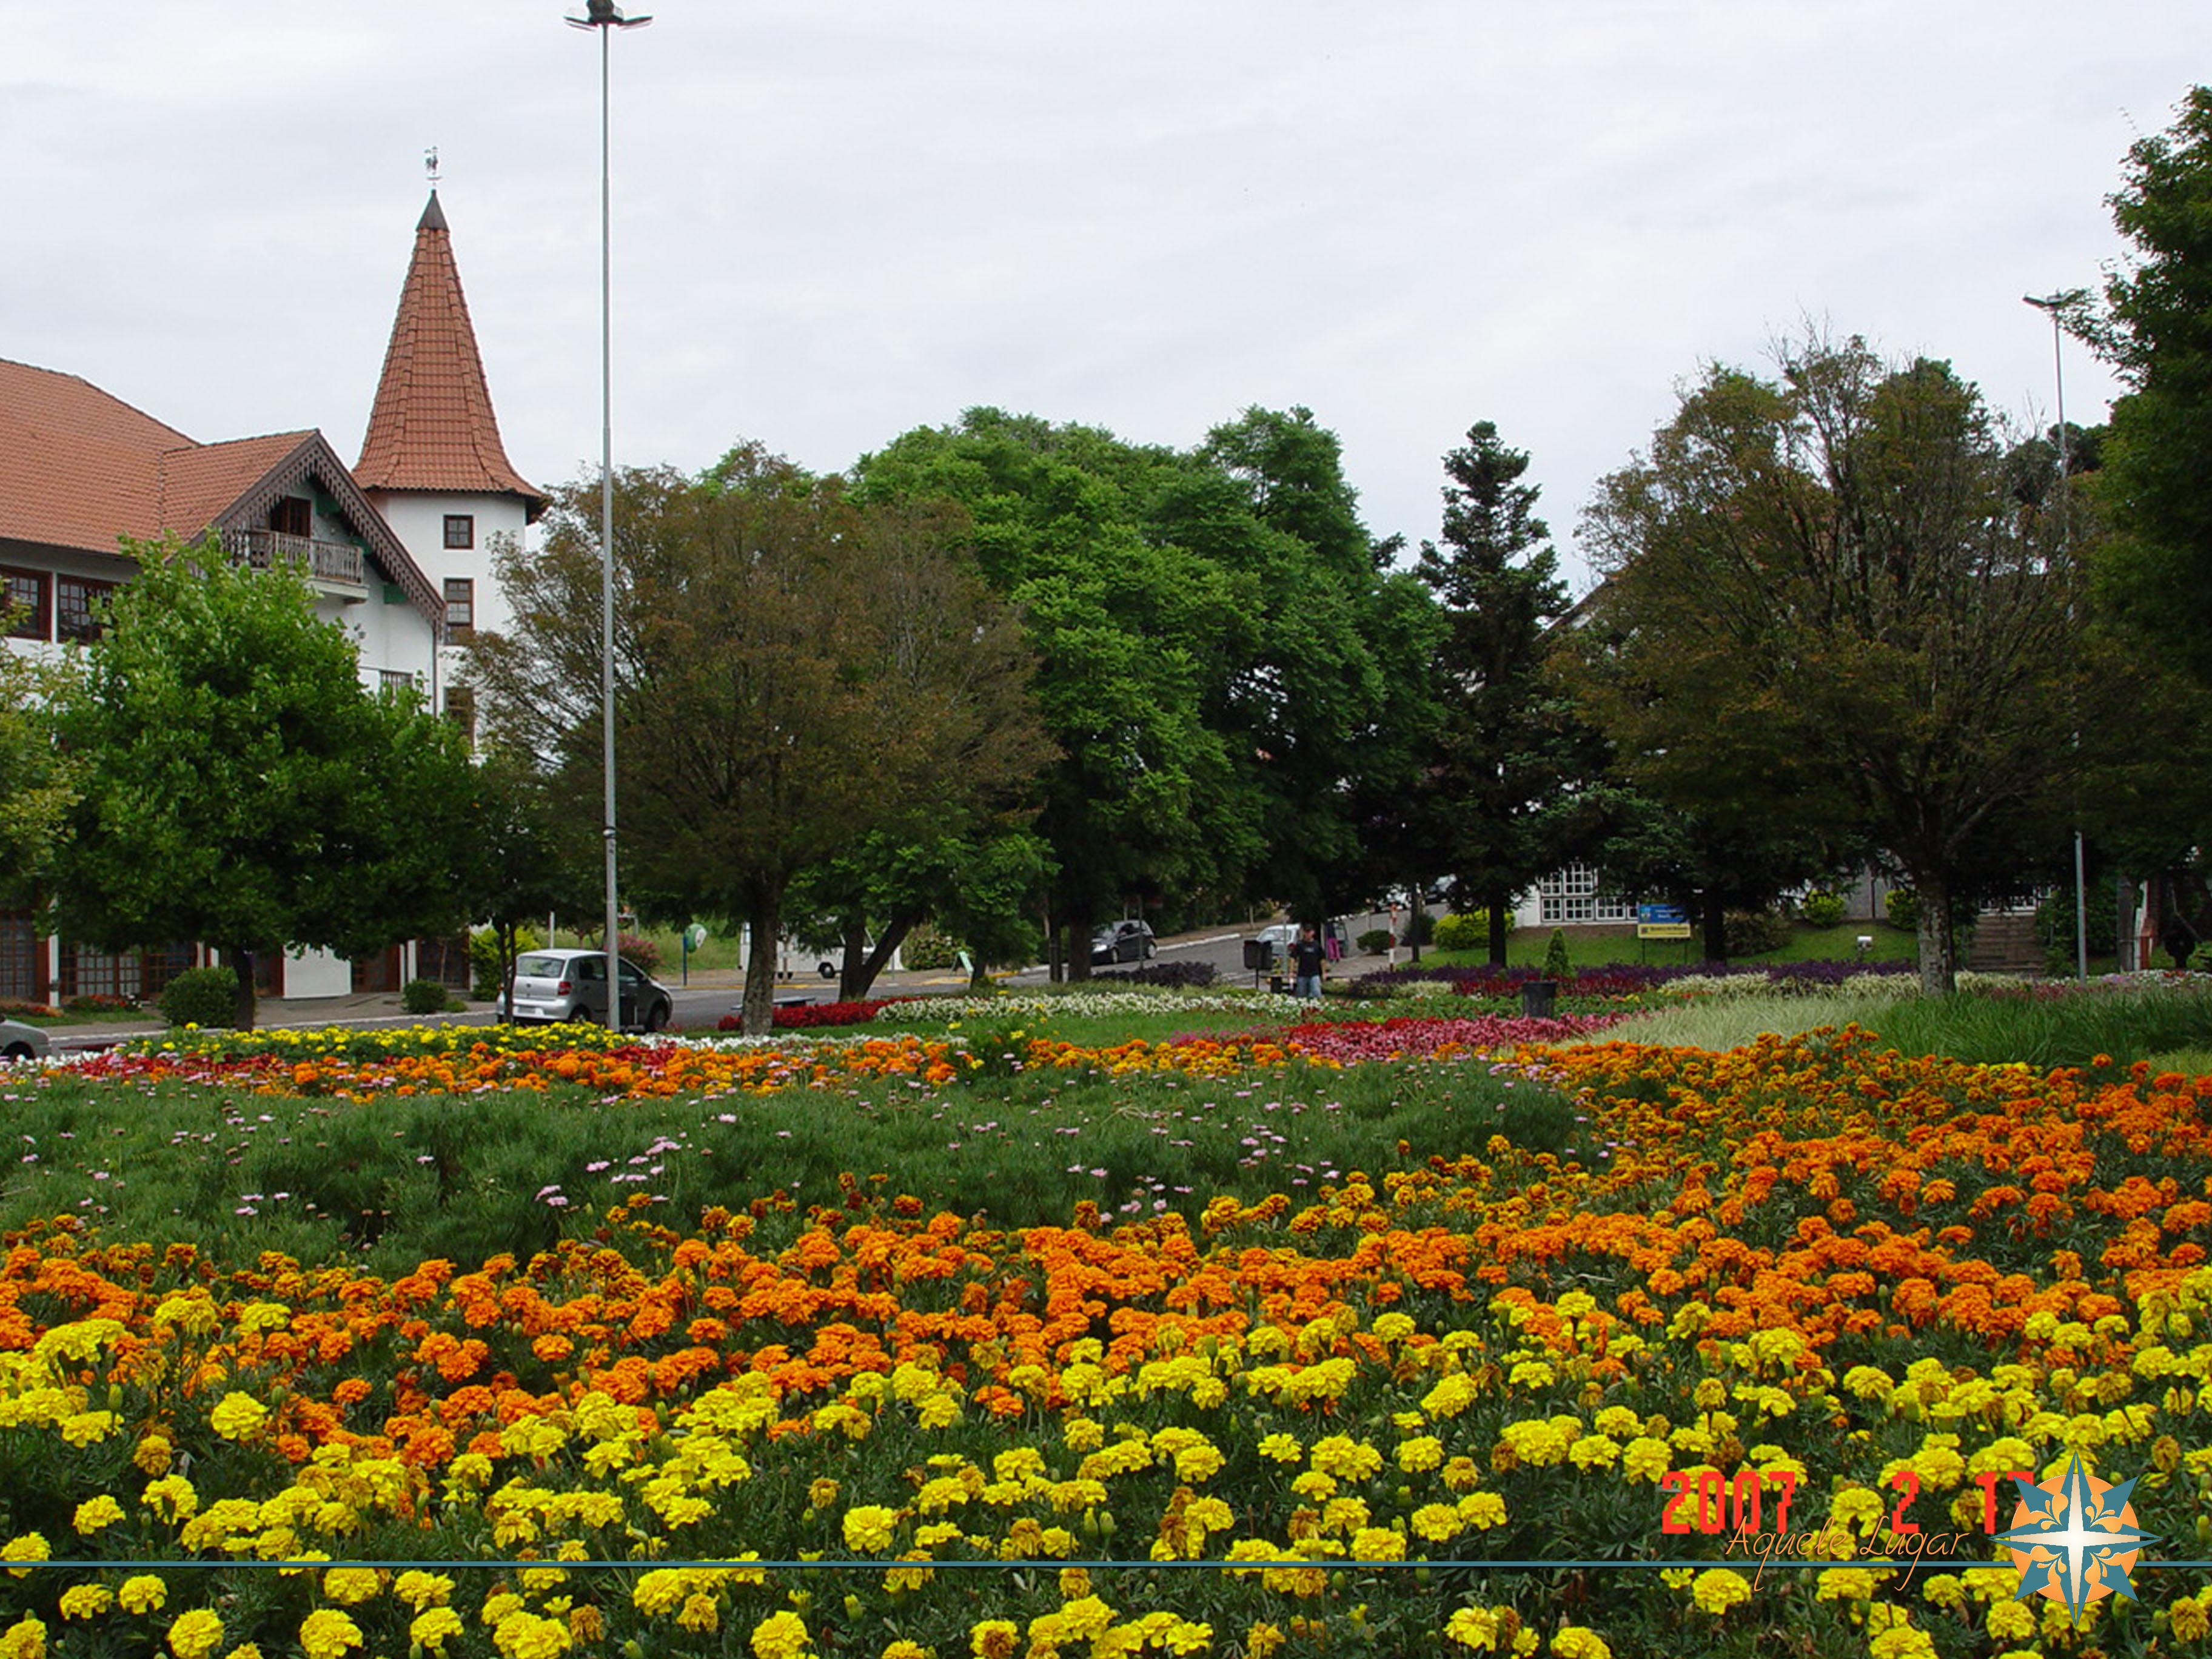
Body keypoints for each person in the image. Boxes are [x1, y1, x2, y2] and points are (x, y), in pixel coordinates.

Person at [1290, 925, 1327, 999]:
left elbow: (1322, 959)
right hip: (1302, 974)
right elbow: (1293, 958)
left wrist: (1324, 973)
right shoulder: (1300, 945)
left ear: (1313, 932)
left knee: (1316, 993)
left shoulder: (1317, 945)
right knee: (1301, 995)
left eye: (1309, 932)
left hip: (1314, 974)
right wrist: (1291, 971)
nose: (1308, 934)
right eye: (1306, 932)